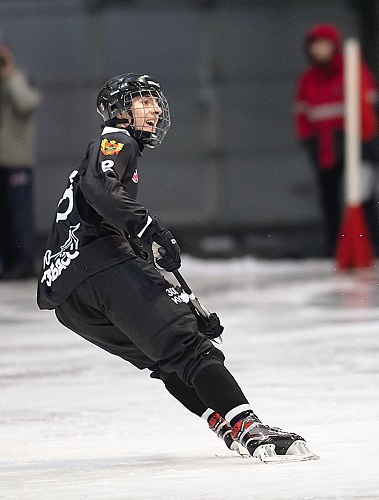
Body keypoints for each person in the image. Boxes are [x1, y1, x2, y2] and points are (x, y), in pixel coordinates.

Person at [36, 73, 315, 462]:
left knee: (166, 360)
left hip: (69, 297)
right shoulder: (117, 139)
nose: (154, 109)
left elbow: (101, 215)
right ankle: (249, 427)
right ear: (119, 109)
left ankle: (225, 423)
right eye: (143, 101)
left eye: (155, 101)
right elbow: (102, 191)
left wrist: (185, 303)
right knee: (189, 349)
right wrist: (148, 226)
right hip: (99, 267)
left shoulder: (110, 148)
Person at [294, 23, 379, 256]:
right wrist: (310, 141)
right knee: (329, 201)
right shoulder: (308, 80)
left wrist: (364, 141)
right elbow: (302, 114)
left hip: (356, 146)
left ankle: (374, 246)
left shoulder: (354, 70)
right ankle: (335, 248)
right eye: (315, 46)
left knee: (363, 197)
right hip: (325, 148)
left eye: (324, 45)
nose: (319, 50)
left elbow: (369, 108)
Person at [0, 42, 41, 280]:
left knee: (19, 216)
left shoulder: (18, 79)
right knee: (4, 217)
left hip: (16, 160)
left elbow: (27, 103)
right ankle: (7, 263)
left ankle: (23, 263)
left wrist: (9, 74)